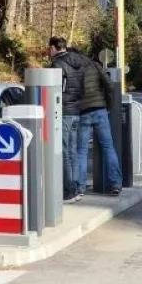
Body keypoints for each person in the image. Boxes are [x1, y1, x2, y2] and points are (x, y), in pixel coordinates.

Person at [75, 47, 123, 196]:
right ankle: (115, 184)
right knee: (108, 147)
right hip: (100, 110)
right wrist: (109, 105)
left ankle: (81, 187)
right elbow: (109, 85)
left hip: (82, 112)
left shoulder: (73, 69)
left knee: (81, 151)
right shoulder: (95, 65)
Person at [48, 37, 86, 202]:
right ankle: (77, 188)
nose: (48, 52)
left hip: (63, 111)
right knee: (72, 151)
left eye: (49, 48)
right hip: (76, 110)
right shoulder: (78, 62)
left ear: (54, 48)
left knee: (63, 152)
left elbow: (55, 90)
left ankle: (68, 191)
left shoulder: (57, 64)